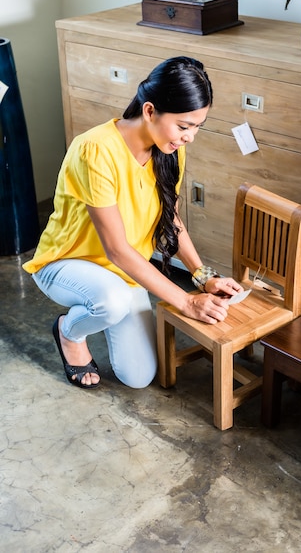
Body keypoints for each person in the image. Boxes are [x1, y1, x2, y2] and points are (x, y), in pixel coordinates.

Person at [23, 56, 243, 391]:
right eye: (184, 126)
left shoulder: (168, 149)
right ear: (150, 111)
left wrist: (203, 276)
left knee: (138, 377)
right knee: (110, 302)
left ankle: (104, 308)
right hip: (66, 263)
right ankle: (69, 331)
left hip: (122, 273)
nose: (190, 137)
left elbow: (170, 217)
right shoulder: (95, 149)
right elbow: (116, 248)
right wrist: (186, 301)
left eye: (197, 127)